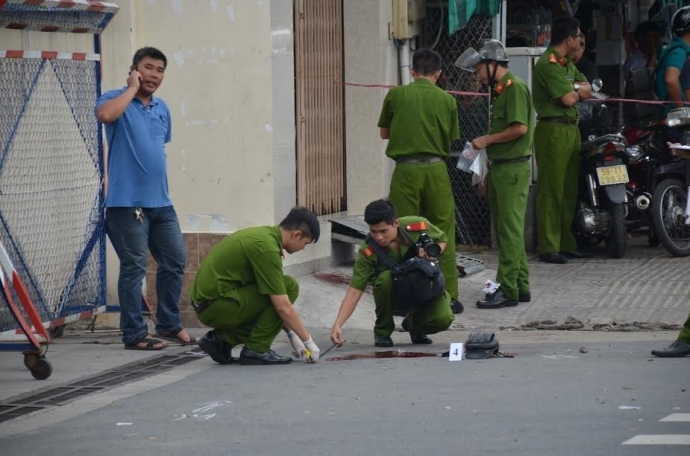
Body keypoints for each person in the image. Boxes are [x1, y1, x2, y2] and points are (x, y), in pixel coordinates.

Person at [96, 47, 195, 351]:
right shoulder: (116, 98)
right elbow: (105, 115)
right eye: (148, 68)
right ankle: (134, 334)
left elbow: (159, 144)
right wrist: (131, 88)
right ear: (135, 69)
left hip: (161, 204)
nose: (154, 75)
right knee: (134, 267)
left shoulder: (162, 107)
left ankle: (166, 324)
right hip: (127, 205)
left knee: (175, 260)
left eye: (160, 70)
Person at [377, 48, 464, 315]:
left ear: (412, 71)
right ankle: (448, 295)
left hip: (406, 171)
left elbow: (384, 133)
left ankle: (403, 292)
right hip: (436, 170)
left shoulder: (396, 95)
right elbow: (450, 138)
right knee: (443, 231)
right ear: (438, 74)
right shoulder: (447, 100)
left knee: (401, 231)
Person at [188, 207, 321, 365]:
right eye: (305, 243)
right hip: (216, 306)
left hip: (209, 304)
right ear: (296, 234)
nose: (303, 248)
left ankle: (221, 341)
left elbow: (272, 302)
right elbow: (282, 306)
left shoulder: (264, 236)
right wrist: (308, 341)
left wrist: (292, 334)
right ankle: (257, 349)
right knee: (290, 286)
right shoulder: (267, 248)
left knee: (277, 292)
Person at [455, 39, 532, 309]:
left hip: (513, 168)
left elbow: (520, 128)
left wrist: (487, 140)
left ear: (492, 64)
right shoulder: (500, 92)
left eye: (478, 69)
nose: (476, 75)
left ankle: (507, 290)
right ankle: (520, 286)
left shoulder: (515, 88)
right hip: (501, 167)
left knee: (509, 232)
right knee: (507, 231)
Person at [330, 199, 454, 347]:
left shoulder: (415, 226)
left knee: (443, 319)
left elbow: (442, 239)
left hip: (424, 288)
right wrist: (338, 324)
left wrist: (432, 255)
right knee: (385, 279)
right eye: (373, 232)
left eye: (383, 231)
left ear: (395, 223)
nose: (379, 237)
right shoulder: (368, 251)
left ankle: (415, 326)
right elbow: (354, 291)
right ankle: (382, 331)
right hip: (395, 297)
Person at [532, 16, 592, 265]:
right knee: (551, 189)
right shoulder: (547, 65)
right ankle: (549, 246)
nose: (579, 40)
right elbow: (570, 99)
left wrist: (575, 92)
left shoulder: (566, 63)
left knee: (569, 190)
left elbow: (587, 87)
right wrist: (576, 92)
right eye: (578, 36)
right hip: (553, 130)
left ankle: (566, 243)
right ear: (569, 39)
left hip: (571, 129)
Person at [655, 6, 690, 118]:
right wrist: (681, 111)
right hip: (674, 120)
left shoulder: (677, 48)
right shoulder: (679, 52)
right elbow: (670, 79)